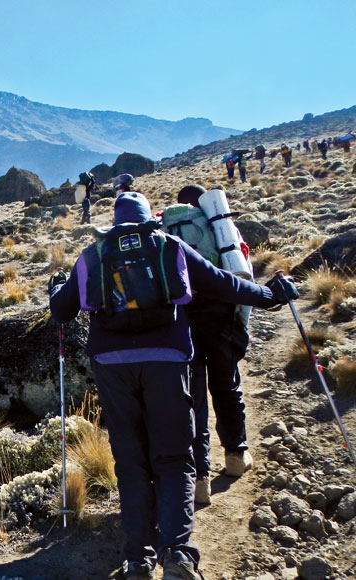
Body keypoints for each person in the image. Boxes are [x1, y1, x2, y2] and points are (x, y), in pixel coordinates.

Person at [49, 191, 297, 580]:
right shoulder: (168, 245)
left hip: (113, 368)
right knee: (173, 458)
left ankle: (137, 559)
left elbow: (61, 311)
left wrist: (56, 289)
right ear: (149, 217)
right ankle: (178, 553)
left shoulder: (91, 256)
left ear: (114, 221)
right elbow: (223, 285)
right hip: (167, 360)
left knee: (130, 461)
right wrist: (270, 295)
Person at [173, 185, 254, 506]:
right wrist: (240, 328)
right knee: (226, 386)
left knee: (190, 401)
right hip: (221, 318)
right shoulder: (221, 228)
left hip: (183, 324)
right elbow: (243, 277)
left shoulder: (167, 231)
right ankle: (236, 455)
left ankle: (199, 480)